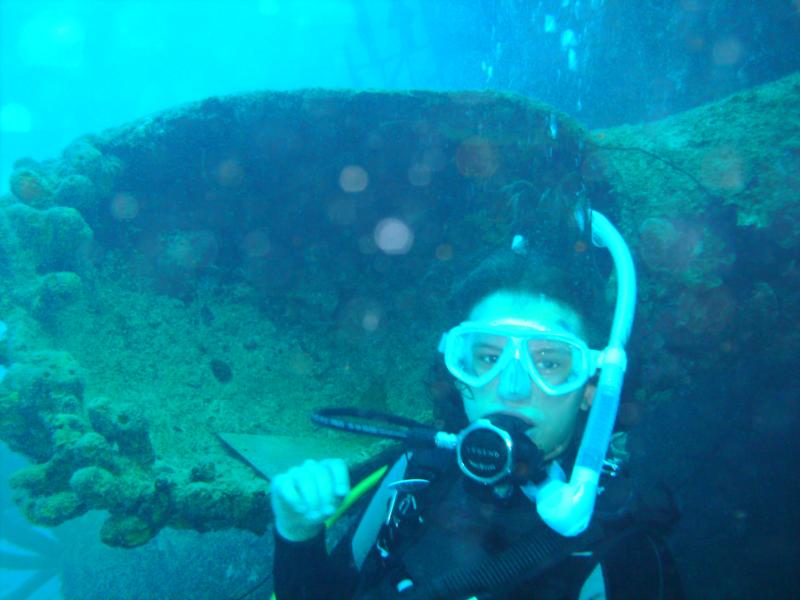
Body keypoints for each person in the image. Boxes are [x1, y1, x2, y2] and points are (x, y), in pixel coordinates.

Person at [270, 203, 684, 599]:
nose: (513, 388)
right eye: (488, 357)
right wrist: (297, 534)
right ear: (456, 367)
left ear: (590, 391)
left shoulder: (622, 549)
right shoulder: (417, 473)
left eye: (549, 362)